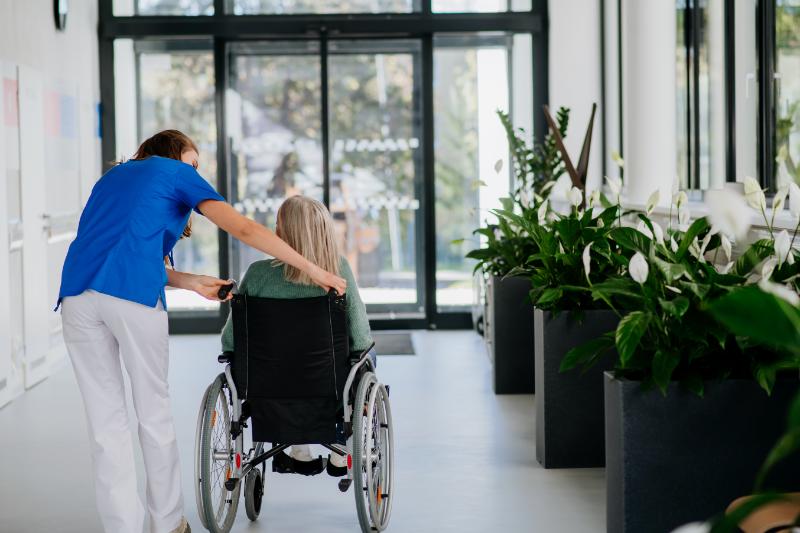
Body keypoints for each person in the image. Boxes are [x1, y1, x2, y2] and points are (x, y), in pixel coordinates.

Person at [58, 130, 346, 533]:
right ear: (176, 154)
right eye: (194, 163)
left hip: (76, 296)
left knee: (106, 424)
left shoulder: (113, 179)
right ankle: (168, 523)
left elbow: (118, 255)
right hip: (132, 301)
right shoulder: (174, 172)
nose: (196, 173)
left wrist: (192, 282)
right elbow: (243, 229)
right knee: (153, 412)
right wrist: (316, 270)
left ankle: (121, 528)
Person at [220, 195, 375, 477]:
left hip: (268, 389)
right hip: (327, 386)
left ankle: (299, 450)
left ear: (280, 234)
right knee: (364, 357)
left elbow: (231, 341)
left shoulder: (256, 275)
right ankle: (342, 446)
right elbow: (360, 337)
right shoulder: (337, 270)